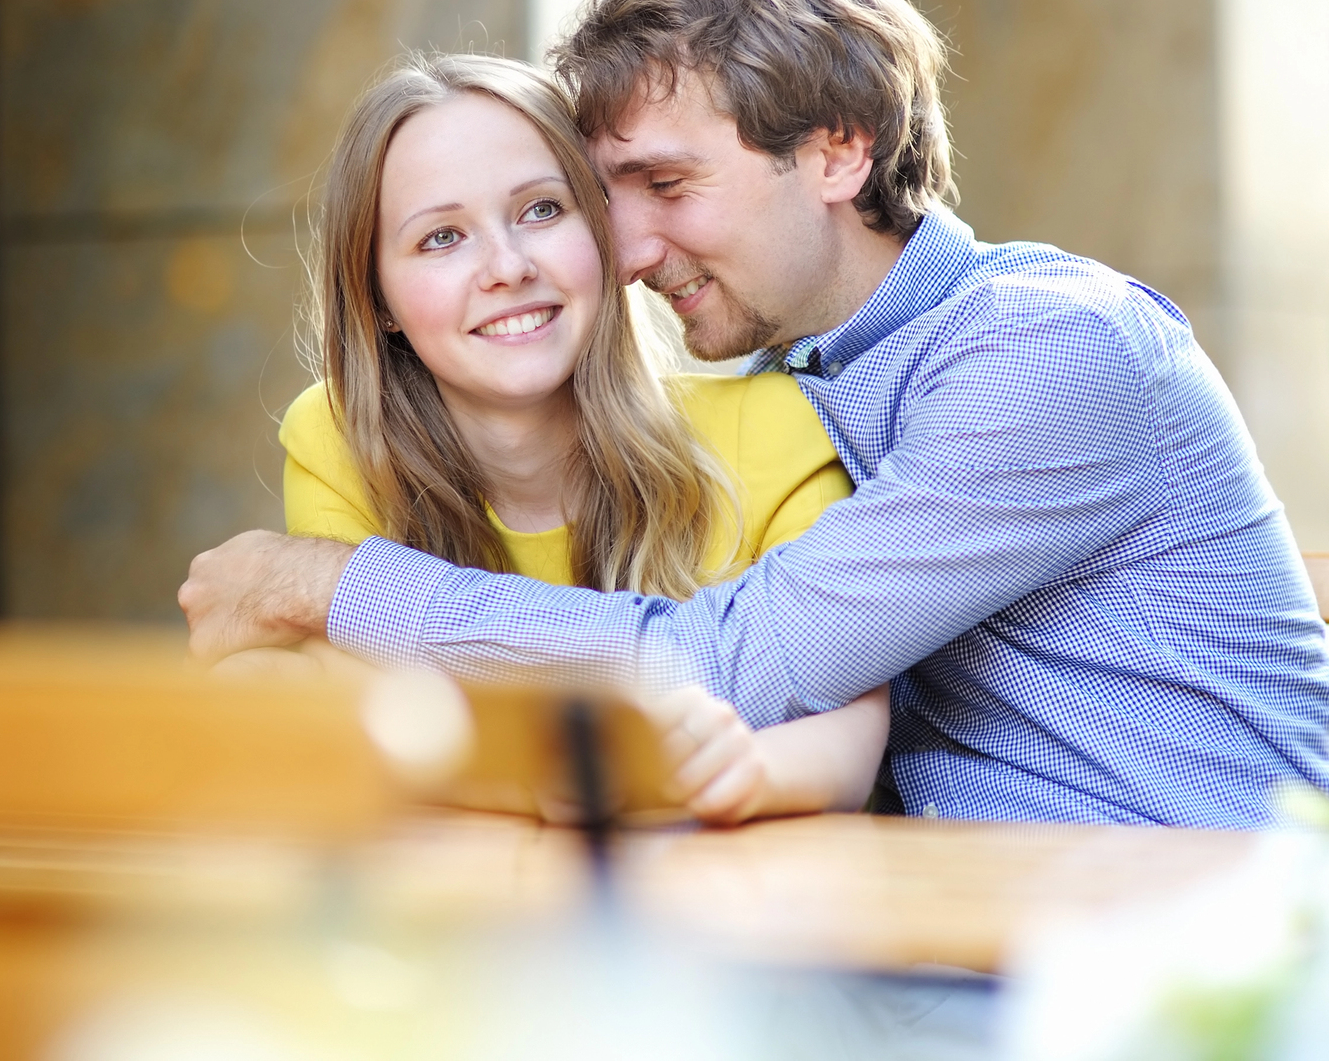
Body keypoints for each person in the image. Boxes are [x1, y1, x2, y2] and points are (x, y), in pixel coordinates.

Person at [183, 0, 1329, 827]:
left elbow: (721, 664)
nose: (626, 254)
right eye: (607, 200)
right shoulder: (810, 377)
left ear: (836, 149)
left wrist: (327, 583)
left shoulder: (1048, 353)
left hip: (1181, 953)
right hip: (941, 922)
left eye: (667, 188)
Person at [278, 51, 886, 825]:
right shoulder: (336, 440)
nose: (506, 267)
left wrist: (726, 770)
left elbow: (850, 734)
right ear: (378, 297)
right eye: (440, 238)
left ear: (602, 235)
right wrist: (571, 779)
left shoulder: (772, 430)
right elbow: (343, 702)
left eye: (541, 210)